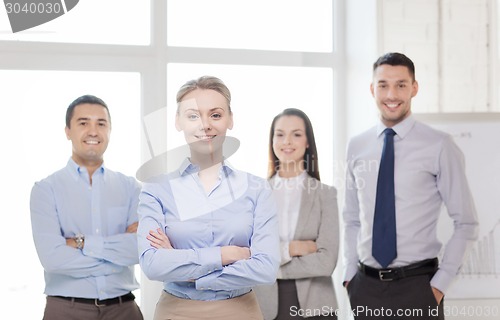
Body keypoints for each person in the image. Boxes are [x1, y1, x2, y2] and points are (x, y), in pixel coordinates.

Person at [342, 52, 479, 319]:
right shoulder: (357, 146)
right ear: (372, 89)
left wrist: (439, 286)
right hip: (365, 288)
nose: (391, 94)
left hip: (418, 287)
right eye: (383, 85)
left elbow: (466, 222)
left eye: (401, 84)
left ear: (414, 88)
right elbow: (351, 218)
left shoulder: (439, 145)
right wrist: (350, 277)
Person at [137, 76, 280, 320]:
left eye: (215, 115)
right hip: (177, 312)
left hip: (240, 311)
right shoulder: (156, 189)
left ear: (230, 120)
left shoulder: (257, 189)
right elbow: (153, 264)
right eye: (193, 116)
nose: (205, 125)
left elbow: (265, 268)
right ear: (178, 122)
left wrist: (186, 268)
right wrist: (226, 255)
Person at [30, 95, 144, 320]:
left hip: (124, 310)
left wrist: (81, 243)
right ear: (67, 131)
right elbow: (53, 259)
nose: (93, 131)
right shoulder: (46, 189)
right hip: (65, 310)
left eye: (101, 124)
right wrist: (115, 259)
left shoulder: (131, 187)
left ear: (109, 130)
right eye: (83, 123)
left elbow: (139, 249)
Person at [254, 108, 339, 320]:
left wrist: (276, 267)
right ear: (272, 141)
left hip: (316, 305)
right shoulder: (255, 194)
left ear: (308, 141)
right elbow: (251, 254)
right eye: (280, 134)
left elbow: (327, 261)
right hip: (265, 305)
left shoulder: (325, 194)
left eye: (297, 134)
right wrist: (294, 248)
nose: (287, 142)